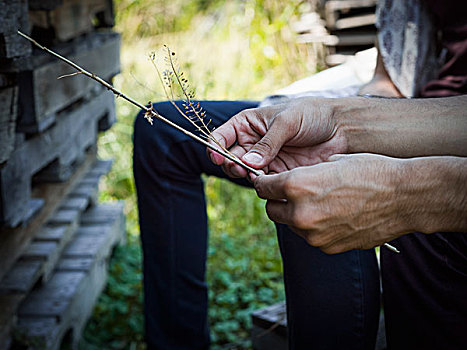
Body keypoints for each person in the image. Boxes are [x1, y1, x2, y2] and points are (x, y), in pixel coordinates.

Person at [133, 1, 466, 349]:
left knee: (308, 191)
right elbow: (390, 83)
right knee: (161, 131)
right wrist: (343, 122)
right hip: (417, 118)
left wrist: (403, 190)